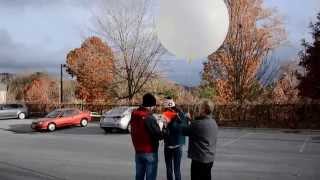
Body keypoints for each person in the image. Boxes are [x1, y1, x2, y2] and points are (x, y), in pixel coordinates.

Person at [130, 93, 164, 180]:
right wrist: (165, 129)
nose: (153, 108)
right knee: (150, 177)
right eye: (153, 106)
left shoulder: (134, 114)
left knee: (139, 176)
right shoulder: (149, 117)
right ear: (150, 106)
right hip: (150, 152)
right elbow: (158, 135)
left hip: (138, 150)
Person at [183, 100, 218, 180]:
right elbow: (198, 128)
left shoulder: (198, 124)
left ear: (203, 110)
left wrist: (183, 120)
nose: (198, 109)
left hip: (199, 159)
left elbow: (184, 131)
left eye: (200, 108)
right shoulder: (213, 122)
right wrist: (190, 120)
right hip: (209, 158)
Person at [162, 97, 188, 180]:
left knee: (170, 169)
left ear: (168, 107)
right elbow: (185, 128)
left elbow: (165, 130)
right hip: (178, 145)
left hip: (169, 145)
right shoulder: (182, 115)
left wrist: (167, 125)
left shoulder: (167, 114)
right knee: (176, 169)